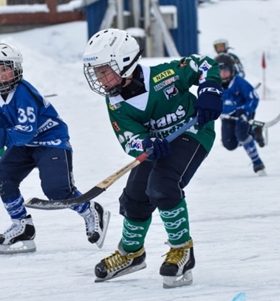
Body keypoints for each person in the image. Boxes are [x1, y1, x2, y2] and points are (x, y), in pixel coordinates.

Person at [82, 29, 223, 288]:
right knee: (135, 195)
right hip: (158, 145)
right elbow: (128, 138)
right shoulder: (115, 102)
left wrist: (210, 88)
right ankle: (131, 253)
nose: (99, 78)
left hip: (193, 132)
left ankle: (183, 250)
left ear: (124, 63)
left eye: (104, 70)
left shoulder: (165, 75)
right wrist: (145, 143)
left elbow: (202, 63)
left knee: (162, 186)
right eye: (97, 72)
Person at [0, 43, 111, 255]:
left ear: (16, 69)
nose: (0, 75)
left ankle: (91, 211)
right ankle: (22, 226)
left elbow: (25, 131)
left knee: (57, 190)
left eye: (4, 69)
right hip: (24, 146)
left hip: (50, 141)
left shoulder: (24, 92)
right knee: (2, 179)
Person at [215, 53, 266, 175]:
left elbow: (253, 98)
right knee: (229, 144)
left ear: (232, 70)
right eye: (220, 71)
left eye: (226, 71)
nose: (223, 74)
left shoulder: (240, 82)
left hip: (242, 114)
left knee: (241, 134)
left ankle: (257, 162)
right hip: (227, 116)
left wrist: (246, 110)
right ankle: (254, 130)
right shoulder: (214, 85)